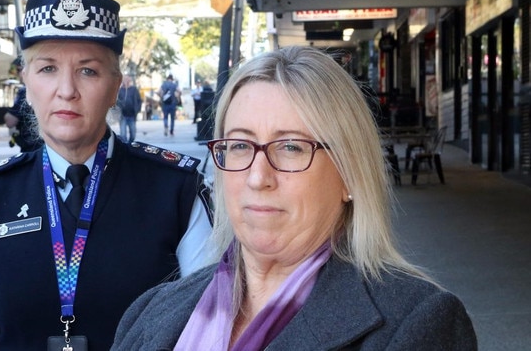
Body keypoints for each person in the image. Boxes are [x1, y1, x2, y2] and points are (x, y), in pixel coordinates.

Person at [112, 46, 477, 350]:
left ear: (349, 171)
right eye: (239, 145)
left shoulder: (418, 325)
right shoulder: (151, 311)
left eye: (290, 147)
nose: (258, 177)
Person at [0, 0, 213, 351]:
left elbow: (211, 332)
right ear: (27, 85)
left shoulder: (177, 192)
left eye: (87, 70)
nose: (67, 91)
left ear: (115, 87)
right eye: (48, 68)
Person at [4, 58, 44, 152]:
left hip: (31, 144)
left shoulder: (25, 91)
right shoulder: (44, 87)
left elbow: (10, 121)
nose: (19, 74)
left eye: (19, 70)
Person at [116, 75, 142, 143]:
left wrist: (138, 109)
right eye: (124, 80)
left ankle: (129, 145)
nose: (125, 81)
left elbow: (139, 100)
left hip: (132, 115)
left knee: (133, 135)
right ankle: (126, 149)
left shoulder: (134, 89)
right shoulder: (119, 90)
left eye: (127, 80)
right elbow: (116, 102)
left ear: (129, 81)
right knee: (123, 135)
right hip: (123, 116)